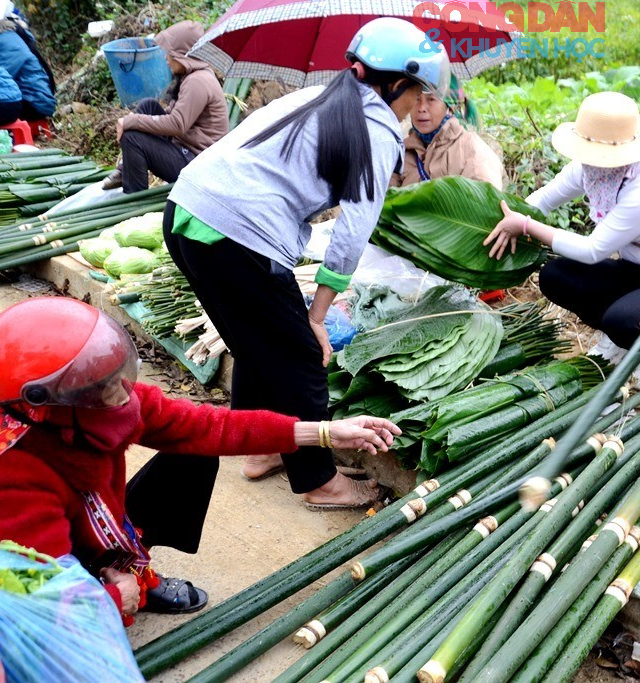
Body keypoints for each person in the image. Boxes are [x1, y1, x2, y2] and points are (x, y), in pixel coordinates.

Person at [162, 18, 449, 509]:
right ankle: (318, 480)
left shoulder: (314, 96)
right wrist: (317, 316)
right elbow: (350, 237)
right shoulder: (379, 131)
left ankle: (262, 446)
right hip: (238, 233)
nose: (416, 105)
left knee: (255, 342)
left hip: (186, 210)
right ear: (396, 83)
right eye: (415, 92)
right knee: (301, 356)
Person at [0, 297, 400, 624]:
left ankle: (131, 565)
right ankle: (109, 576)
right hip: (34, 571)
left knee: (195, 455)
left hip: (89, 522)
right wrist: (107, 598)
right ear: (50, 404)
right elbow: (35, 600)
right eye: (101, 387)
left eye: (116, 375)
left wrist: (325, 432)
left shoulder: (102, 410)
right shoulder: (16, 476)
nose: (123, 393)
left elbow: (210, 427)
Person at [485, 91, 640, 390]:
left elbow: (592, 250)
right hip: (633, 270)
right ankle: (620, 342)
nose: (590, 159)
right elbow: (543, 201)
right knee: (555, 276)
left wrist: (525, 226)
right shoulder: (591, 170)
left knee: (622, 320)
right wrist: (506, 217)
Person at [103, 21, 228, 193]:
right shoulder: (192, 75)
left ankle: (135, 200)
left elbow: (177, 124)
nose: (166, 58)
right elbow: (174, 116)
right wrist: (138, 120)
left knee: (132, 137)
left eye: (169, 53)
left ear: (182, 54)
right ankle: (126, 169)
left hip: (196, 164)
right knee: (149, 105)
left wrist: (132, 121)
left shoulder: (197, 81)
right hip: (185, 148)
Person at [390, 74, 503, 189]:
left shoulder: (471, 149)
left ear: (450, 107)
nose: (421, 108)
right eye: (417, 99)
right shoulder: (401, 152)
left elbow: (486, 200)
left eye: (431, 99)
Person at [0, 0, 54, 122]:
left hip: (34, 102)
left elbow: (3, 76)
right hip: (31, 97)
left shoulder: (5, 41)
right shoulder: (9, 36)